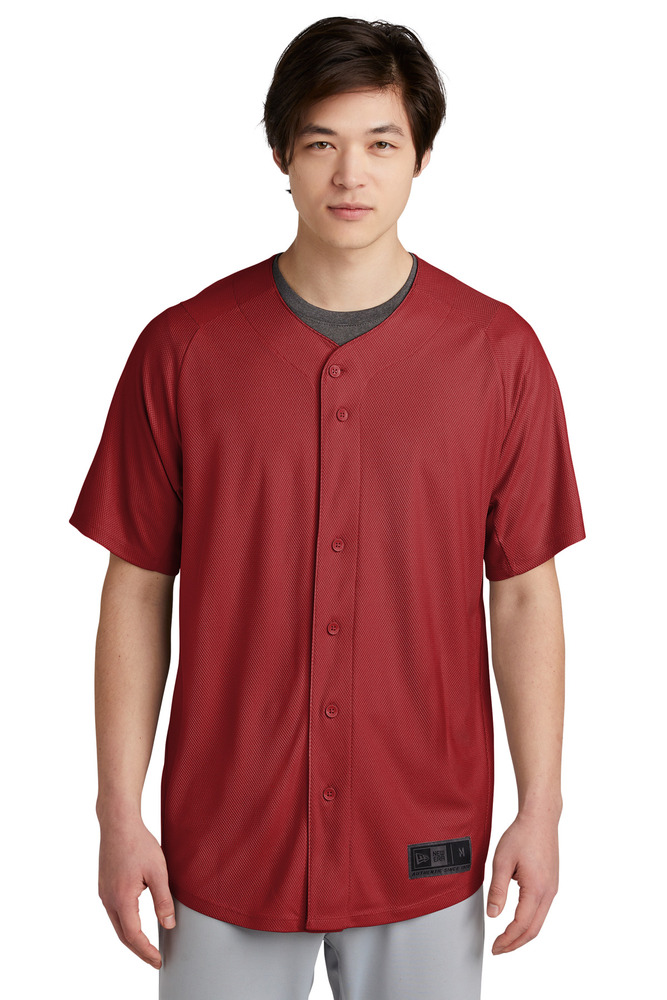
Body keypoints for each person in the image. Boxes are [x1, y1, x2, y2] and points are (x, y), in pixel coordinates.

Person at [69, 15, 586, 1000]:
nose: (351, 175)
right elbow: (135, 587)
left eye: (381, 144)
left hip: (424, 834)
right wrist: (118, 814)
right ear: (280, 155)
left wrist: (541, 807)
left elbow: (523, 591)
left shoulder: (498, 355)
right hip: (224, 844)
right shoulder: (183, 350)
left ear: (421, 156)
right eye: (320, 143)